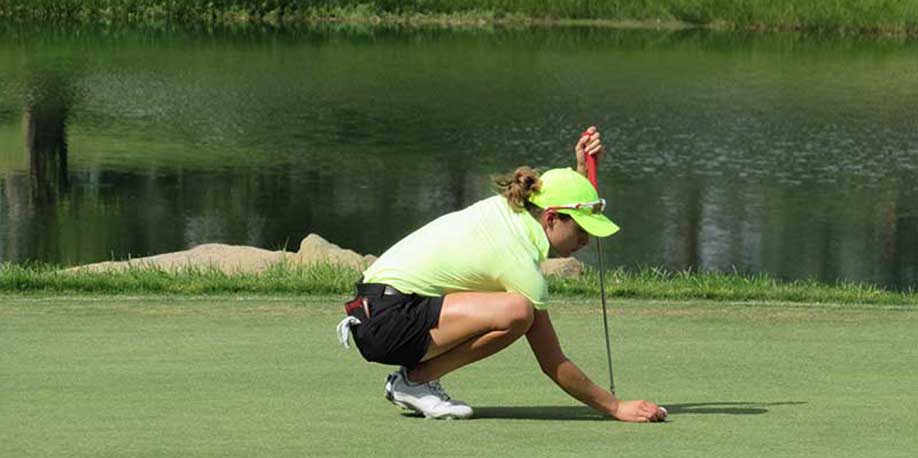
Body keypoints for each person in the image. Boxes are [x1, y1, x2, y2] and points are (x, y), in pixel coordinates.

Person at [336, 126, 667, 422]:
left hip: (379, 310)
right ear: (551, 219)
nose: (587, 240)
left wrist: (582, 174)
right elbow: (552, 361)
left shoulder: (515, 213)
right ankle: (415, 382)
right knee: (517, 311)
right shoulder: (518, 260)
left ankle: (414, 382)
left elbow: (558, 202)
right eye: (582, 229)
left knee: (511, 305)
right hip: (386, 321)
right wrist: (615, 407)